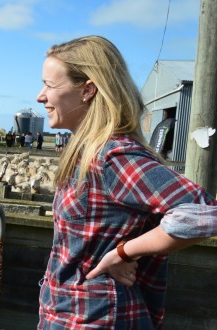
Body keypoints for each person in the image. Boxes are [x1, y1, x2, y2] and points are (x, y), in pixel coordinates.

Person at [35, 35, 217, 329]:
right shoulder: (87, 154)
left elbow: (206, 213)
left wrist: (124, 252)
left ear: (88, 90)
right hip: (70, 313)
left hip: (95, 319)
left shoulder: (112, 157)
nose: (40, 96)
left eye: (50, 85)